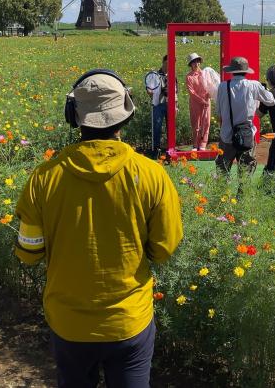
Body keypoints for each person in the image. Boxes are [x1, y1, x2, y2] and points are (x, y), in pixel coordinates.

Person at [14, 70, 183, 388]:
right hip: (129, 322)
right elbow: (164, 249)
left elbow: (29, 251)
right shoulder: (151, 174)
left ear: (73, 115)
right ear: (127, 111)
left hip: (69, 323)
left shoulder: (43, 177)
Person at [215, 56, 275, 176]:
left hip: (226, 135)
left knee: (222, 173)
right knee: (245, 174)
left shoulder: (222, 87)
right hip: (246, 135)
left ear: (231, 71)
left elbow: (218, 113)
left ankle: (222, 194)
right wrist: (263, 90)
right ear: (246, 71)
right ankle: (242, 195)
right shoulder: (253, 85)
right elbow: (271, 101)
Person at [185, 52, 211, 150]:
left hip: (206, 101)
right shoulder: (189, 77)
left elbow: (210, 86)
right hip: (195, 103)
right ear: (191, 64)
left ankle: (203, 144)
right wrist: (201, 101)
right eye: (194, 62)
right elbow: (192, 92)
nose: (197, 64)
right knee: (196, 123)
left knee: (207, 122)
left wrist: (208, 95)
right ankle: (195, 145)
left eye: (198, 62)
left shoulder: (205, 74)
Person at [146, 55, 169, 157]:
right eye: (168, 61)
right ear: (163, 62)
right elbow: (149, 89)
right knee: (157, 126)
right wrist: (150, 92)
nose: (170, 64)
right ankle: (155, 149)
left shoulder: (173, 75)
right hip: (158, 104)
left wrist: (176, 105)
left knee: (170, 127)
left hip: (170, 104)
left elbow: (176, 91)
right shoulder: (154, 74)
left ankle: (170, 148)